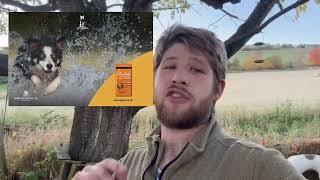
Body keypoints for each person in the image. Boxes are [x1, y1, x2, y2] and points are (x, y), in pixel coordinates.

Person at [73, 24, 306, 180]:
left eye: (195, 69)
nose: (178, 77)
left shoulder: (258, 167)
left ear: (218, 89)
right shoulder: (126, 165)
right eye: (170, 66)